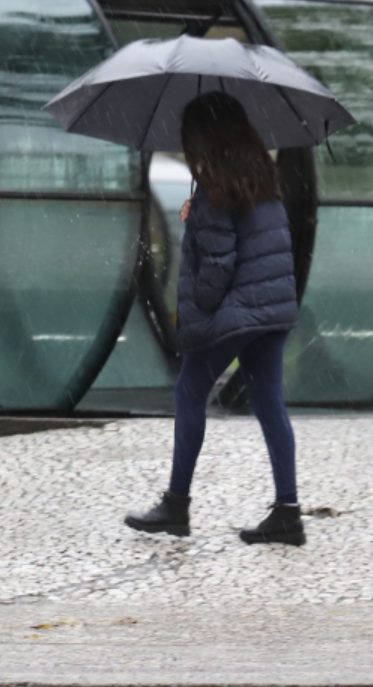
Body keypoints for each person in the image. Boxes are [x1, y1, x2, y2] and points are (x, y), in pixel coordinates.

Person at [125, 91, 304, 546]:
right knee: (268, 403)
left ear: (203, 143)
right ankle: (288, 512)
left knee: (189, 390)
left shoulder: (216, 191)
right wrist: (199, 213)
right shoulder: (260, 179)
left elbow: (219, 265)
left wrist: (200, 306)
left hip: (237, 310)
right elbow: (251, 239)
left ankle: (176, 505)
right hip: (272, 309)